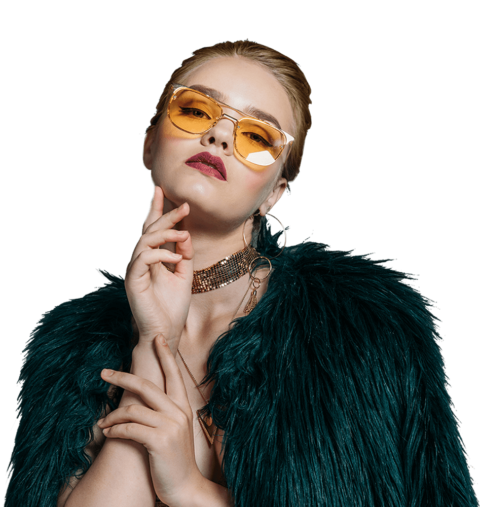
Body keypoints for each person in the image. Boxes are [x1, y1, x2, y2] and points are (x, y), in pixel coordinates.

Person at [5, 40, 478, 507]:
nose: (219, 136)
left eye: (256, 137)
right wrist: (154, 341)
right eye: (195, 111)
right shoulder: (68, 347)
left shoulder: (362, 326)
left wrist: (190, 489)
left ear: (274, 192)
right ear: (149, 143)